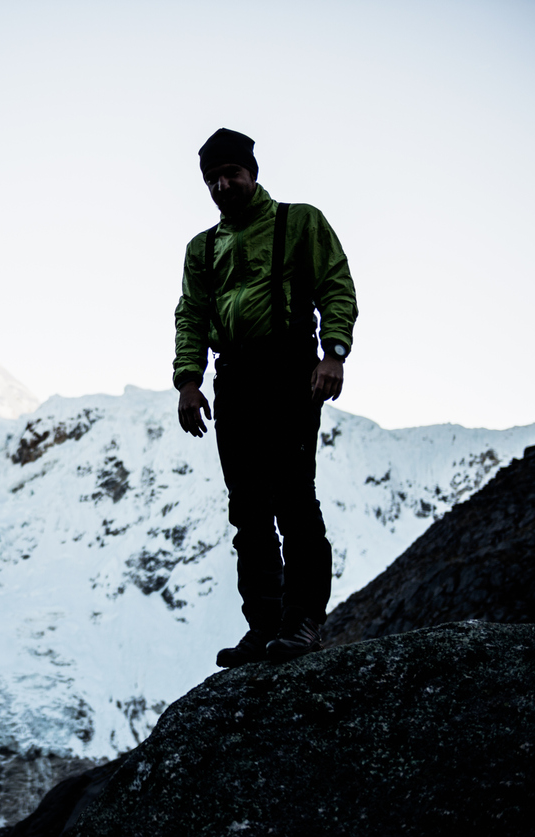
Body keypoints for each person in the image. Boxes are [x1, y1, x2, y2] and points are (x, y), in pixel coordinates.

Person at [173, 128, 358, 666]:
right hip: (233, 379)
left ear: (252, 173)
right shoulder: (201, 248)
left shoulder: (299, 222)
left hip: (290, 368)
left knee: (294, 499)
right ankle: (264, 628)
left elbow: (336, 285)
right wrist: (189, 380)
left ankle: (302, 623)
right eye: (212, 179)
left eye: (231, 174)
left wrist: (334, 353)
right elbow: (191, 315)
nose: (222, 185)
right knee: (247, 510)